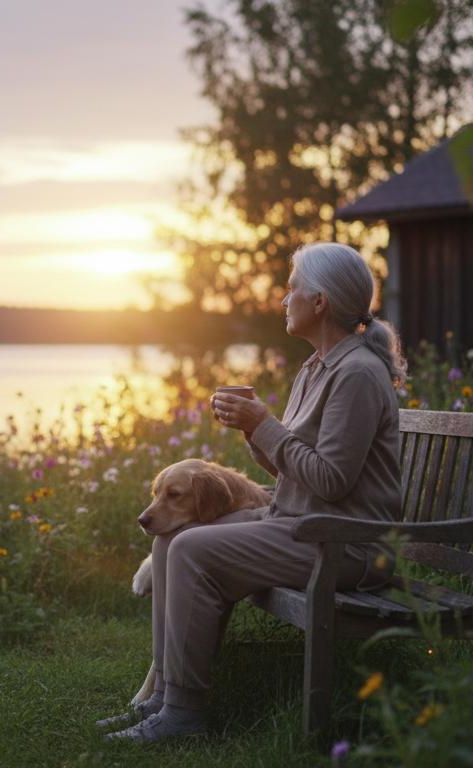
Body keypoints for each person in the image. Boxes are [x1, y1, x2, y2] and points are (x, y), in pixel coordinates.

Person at [100, 242, 407, 743]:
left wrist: (265, 424)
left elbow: (331, 480)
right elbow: (296, 469)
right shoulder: (317, 368)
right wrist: (252, 430)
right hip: (300, 524)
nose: (285, 300)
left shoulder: (356, 374)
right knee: (172, 539)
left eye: (292, 290)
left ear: (320, 303)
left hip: (346, 544)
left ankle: (183, 714)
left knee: (193, 548)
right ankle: (162, 697)